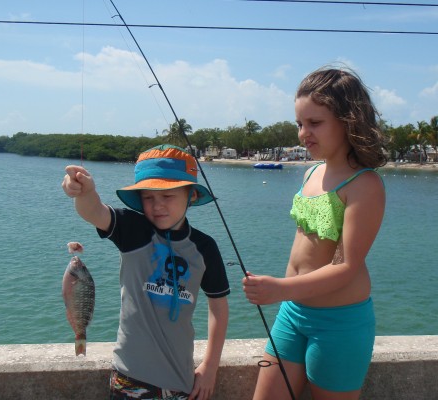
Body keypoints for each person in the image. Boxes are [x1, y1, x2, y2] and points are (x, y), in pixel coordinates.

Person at [242, 66, 387, 400]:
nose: (303, 133)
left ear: (349, 121)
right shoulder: (310, 173)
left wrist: (279, 288)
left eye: (315, 123)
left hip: (340, 324)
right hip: (292, 314)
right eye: (299, 124)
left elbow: (346, 266)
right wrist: (284, 294)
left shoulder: (365, 185)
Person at [62, 144, 230, 400]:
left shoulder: (205, 248)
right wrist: (84, 192)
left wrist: (210, 366)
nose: (157, 205)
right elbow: (93, 211)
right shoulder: (134, 231)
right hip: (127, 379)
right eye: (149, 197)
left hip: (180, 382)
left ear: (191, 196)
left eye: (168, 196)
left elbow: (218, 306)